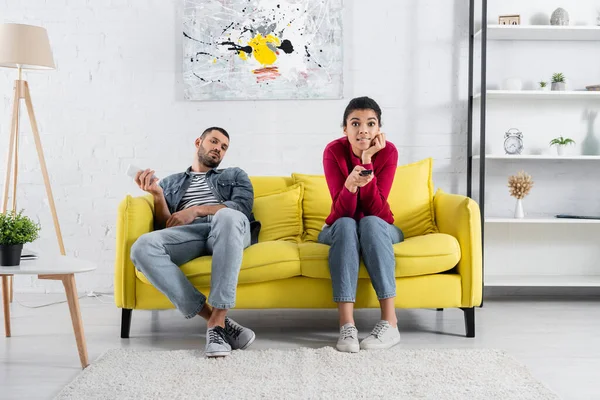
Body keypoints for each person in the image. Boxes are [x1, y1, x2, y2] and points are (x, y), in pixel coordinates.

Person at [130, 127, 258, 358]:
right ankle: (217, 322)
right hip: (191, 235)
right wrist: (158, 196)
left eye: (223, 147)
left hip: (230, 229)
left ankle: (217, 322)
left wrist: (196, 210)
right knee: (143, 246)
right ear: (199, 141)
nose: (218, 148)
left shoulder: (235, 175)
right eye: (214, 141)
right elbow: (165, 226)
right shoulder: (171, 183)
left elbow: (240, 208)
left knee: (227, 216)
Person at [318, 96, 404, 353]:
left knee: (369, 223)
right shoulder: (333, 151)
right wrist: (350, 184)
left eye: (370, 123)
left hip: (377, 227)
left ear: (379, 129)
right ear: (345, 129)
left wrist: (367, 160)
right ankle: (347, 326)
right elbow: (342, 211)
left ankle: (390, 323)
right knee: (346, 224)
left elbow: (377, 210)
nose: (363, 130)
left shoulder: (388, 152)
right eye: (355, 123)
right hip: (339, 227)